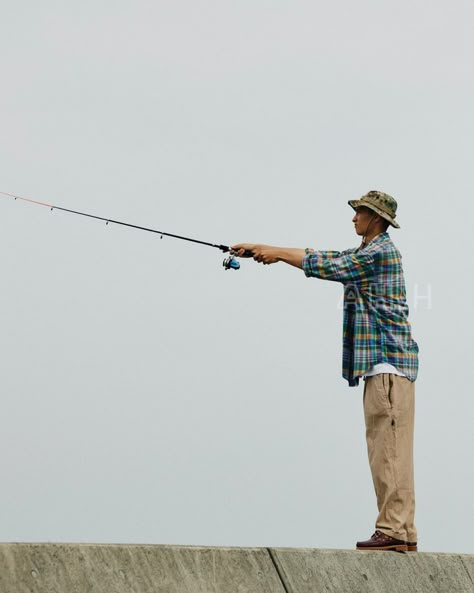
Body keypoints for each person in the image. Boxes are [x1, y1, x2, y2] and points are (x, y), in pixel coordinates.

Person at [231, 190, 419, 552]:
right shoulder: (370, 251)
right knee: (393, 451)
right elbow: (327, 256)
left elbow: (329, 267)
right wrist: (267, 250)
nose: (353, 218)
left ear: (375, 218)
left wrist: (273, 251)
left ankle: (393, 531)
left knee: (387, 453)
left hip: (387, 369)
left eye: (359, 212)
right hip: (392, 370)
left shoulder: (378, 253)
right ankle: (402, 532)